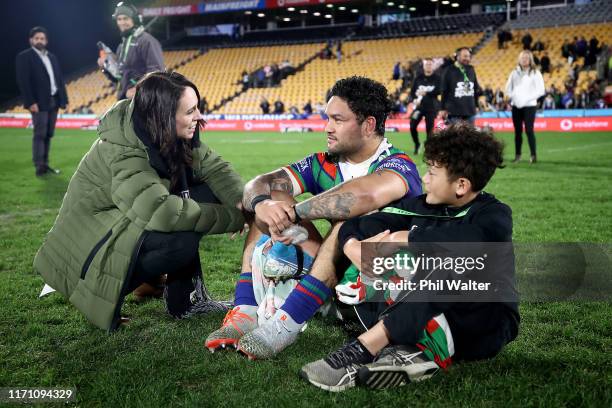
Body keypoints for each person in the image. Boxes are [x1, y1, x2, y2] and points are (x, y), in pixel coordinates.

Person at [204, 76, 423, 358]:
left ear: (368, 125)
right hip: (334, 279)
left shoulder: (397, 164)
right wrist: (261, 204)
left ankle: (285, 324)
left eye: (338, 120)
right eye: (327, 118)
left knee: (347, 222)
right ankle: (244, 310)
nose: (327, 128)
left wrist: (294, 213)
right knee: (274, 199)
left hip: (379, 291)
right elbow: (260, 183)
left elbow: (363, 196)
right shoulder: (323, 163)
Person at [300, 123, 519, 391]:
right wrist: (354, 249)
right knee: (395, 262)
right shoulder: (421, 206)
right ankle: (411, 354)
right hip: (427, 312)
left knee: (443, 260)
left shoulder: (493, 214)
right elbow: (354, 226)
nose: (424, 179)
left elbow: (472, 242)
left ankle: (363, 350)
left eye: (432, 173)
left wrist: (401, 238)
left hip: (482, 323)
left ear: (461, 185)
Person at [33, 71, 245, 331]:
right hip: (92, 241)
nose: (199, 116)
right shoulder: (124, 148)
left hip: (127, 219)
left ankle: (184, 299)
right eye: (190, 111)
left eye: (197, 107)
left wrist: (243, 205)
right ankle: (111, 293)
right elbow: (162, 213)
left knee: (205, 193)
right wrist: (233, 218)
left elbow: (217, 169)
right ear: (164, 117)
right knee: (182, 241)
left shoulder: (164, 132)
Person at [15, 26, 68, 177]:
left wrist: (64, 99)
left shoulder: (51, 57)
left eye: (42, 38)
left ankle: (45, 164)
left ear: (46, 40)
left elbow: (59, 79)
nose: (40, 41)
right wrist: (31, 102)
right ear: (31, 40)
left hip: (54, 100)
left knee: (49, 133)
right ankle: (39, 166)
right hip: (38, 102)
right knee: (40, 133)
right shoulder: (24, 56)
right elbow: (23, 81)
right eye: (37, 38)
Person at [98, 2, 164, 100]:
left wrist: (137, 90)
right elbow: (119, 79)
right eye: (119, 19)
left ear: (134, 20)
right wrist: (105, 67)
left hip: (143, 103)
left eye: (126, 18)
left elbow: (157, 73)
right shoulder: (121, 47)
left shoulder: (146, 41)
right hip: (125, 102)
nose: (122, 22)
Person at [505, 50, 545, 164]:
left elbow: (541, 90)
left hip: (530, 105)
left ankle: (533, 155)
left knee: (529, 130)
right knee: (517, 132)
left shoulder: (536, 72)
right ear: (519, 59)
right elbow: (508, 88)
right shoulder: (514, 72)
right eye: (522, 58)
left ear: (530, 59)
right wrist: (514, 97)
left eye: (526, 58)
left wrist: (528, 99)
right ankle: (518, 156)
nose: (524, 60)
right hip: (516, 106)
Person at [439, 47, 481, 125]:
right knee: (455, 136)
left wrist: (476, 105)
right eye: (465, 56)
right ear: (457, 56)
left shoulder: (471, 69)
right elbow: (444, 90)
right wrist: (442, 108)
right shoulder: (448, 70)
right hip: (454, 111)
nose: (467, 58)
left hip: (470, 110)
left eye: (468, 56)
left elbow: (475, 89)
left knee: (470, 136)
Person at [409, 58, 441, 155]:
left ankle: (428, 150)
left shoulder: (437, 78)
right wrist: (414, 100)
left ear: (433, 66)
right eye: (427, 64)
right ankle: (417, 144)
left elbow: (439, 91)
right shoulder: (418, 78)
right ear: (423, 66)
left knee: (429, 131)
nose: (428, 66)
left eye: (430, 64)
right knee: (412, 126)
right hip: (419, 108)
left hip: (431, 108)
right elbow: (412, 92)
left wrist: (427, 92)